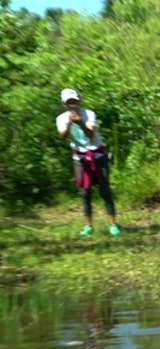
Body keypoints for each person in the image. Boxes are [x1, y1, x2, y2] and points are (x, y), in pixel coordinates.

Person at [56, 88, 120, 237]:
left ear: (79, 101)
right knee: (85, 193)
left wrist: (81, 123)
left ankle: (113, 224)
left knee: (105, 189)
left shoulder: (89, 114)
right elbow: (63, 137)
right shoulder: (61, 118)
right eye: (69, 102)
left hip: (97, 155)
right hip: (79, 157)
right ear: (64, 104)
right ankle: (88, 225)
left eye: (74, 101)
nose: (72, 104)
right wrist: (70, 123)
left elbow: (91, 134)